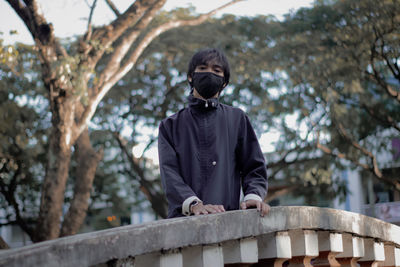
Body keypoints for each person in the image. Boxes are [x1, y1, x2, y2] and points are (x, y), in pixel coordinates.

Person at [158, 48, 269, 218]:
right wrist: (193, 204)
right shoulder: (170, 125)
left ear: (224, 82)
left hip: (228, 222)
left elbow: (254, 166)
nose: (209, 73)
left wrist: (253, 196)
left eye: (216, 70)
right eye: (202, 68)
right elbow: (169, 173)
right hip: (183, 224)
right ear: (190, 76)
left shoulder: (237, 119)